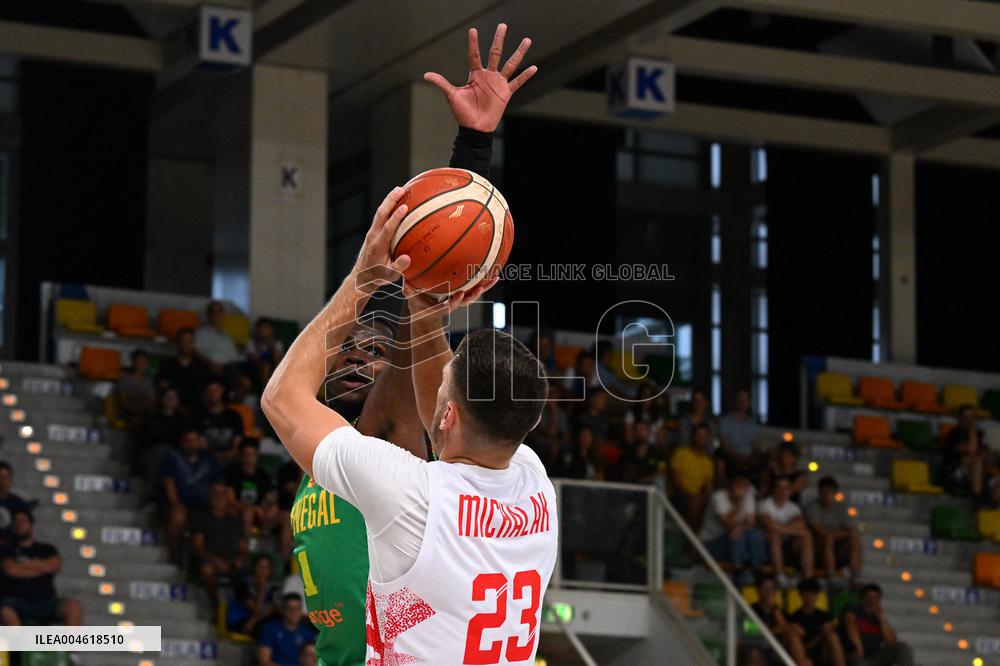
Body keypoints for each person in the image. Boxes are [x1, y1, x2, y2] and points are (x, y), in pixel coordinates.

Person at [280, 23, 538, 666]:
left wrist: (472, 154)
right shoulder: (526, 480)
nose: (358, 359)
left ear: (437, 420)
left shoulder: (397, 465)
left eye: (370, 353)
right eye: (354, 355)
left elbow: (413, 343)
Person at [262, 181, 556, 665]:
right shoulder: (533, 484)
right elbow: (445, 418)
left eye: (445, 386)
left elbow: (282, 397)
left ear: (449, 413)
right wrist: (422, 310)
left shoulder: (411, 497)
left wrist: (364, 276)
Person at [0, 509, 82, 626]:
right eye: (16, 522)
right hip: (18, 603)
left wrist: (23, 565)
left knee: (73, 606)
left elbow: (53, 566)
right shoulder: (7, 550)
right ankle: (19, 644)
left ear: (30, 524)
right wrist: (40, 567)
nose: (19, 525)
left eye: (22, 521)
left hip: (47, 602)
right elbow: (11, 570)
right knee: (5, 610)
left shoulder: (46, 549)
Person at [160, 427, 222, 564]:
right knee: (178, 516)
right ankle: (175, 556)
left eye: (195, 440)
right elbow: (169, 483)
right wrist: (176, 504)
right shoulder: (173, 457)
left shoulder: (210, 459)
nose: (192, 444)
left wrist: (215, 505)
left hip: (204, 505)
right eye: (188, 441)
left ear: (200, 441)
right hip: (182, 504)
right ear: (182, 442)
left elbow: (217, 486)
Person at [699, 473, 765, 582]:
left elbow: (751, 523)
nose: (742, 489)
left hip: (735, 541)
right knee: (738, 534)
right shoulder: (718, 496)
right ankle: (737, 572)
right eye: (739, 486)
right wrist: (739, 503)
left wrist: (739, 527)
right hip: (712, 543)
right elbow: (728, 523)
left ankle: (757, 570)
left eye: (745, 487)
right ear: (731, 486)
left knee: (755, 534)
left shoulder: (748, 496)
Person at [191, 481, 248, 606]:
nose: (219, 497)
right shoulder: (200, 518)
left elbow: (243, 547)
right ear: (209, 495)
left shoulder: (235, 520)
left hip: (232, 560)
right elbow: (197, 547)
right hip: (210, 559)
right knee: (207, 570)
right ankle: (216, 605)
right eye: (215, 493)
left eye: (222, 494)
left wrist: (240, 558)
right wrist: (216, 560)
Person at [840, 584, 913, 666]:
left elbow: (891, 642)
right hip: (856, 656)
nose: (872, 602)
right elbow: (850, 625)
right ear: (862, 599)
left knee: (903, 648)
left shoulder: (878, 618)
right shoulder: (853, 608)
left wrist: (882, 620)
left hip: (876, 657)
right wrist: (858, 648)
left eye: (876, 599)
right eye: (869, 598)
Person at [759, 477, 814, 584]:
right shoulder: (765, 504)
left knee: (806, 535)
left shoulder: (793, 507)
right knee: (774, 535)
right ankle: (780, 576)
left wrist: (780, 528)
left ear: (790, 491)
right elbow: (770, 525)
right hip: (766, 547)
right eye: (779, 488)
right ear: (773, 490)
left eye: (786, 488)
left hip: (787, 546)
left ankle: (808, 577)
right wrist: (791, 529)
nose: (782, 491)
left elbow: (801, 525)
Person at [805, 476, 861, 581]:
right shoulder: (812, 508)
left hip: (839, 545)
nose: (826, 495)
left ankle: (855, 575)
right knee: (828, 539)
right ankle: (831, 574)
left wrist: (833, 533)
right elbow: (819, 531)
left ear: (835, 493)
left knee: (855, 540)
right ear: (819, 493)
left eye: (829, 492)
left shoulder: (843, 508)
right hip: (817, 546)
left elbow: (850, 530)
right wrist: (838, 533)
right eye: (823, 492)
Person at [751, 574, 811, 666]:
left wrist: (774, 609)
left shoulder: (779, 611)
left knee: (794, 638)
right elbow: (751, 631)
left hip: (778, 650)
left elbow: (800, 631)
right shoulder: (750, 610)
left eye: (772, 589)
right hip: (760, 648)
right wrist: (781, 629)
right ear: (758, 591)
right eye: (765, 589)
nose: (769, 592)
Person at [791, 578, 845, 666]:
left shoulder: (825, 616)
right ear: (801, 595)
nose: (810, 597)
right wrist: (821, 636)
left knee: (833, 636)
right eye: (806, 594)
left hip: (824, 652)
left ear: (817, 595)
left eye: (813, 594)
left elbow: (832, 640)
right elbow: (799, 647)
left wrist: (825, 634)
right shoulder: (795, 618)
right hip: (806, 655)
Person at [670, 423, 715, 528]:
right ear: (693, 437)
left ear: (708, 438)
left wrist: (704, 498)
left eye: (704, 436)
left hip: (698, 498)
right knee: (695, 503)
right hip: (679, 494)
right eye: (698, 435)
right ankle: (689, 539)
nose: (701, 439)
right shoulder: (680, 453)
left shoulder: (708, 462)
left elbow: (708, 487)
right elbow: (676, 481)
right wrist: (691, 496)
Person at [156, 327, 211, 411]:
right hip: (171, 410)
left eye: (189, 341)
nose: (186, 344)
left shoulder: (202, 366)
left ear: (193, 343)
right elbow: (163, 387)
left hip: (195, 410)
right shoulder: (167, 364)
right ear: (178, 342)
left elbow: (205, 393)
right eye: (183, 341)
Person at [227, 553, 279, 636]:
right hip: (240, 620)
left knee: (275, 625)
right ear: (254, 568)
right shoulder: (243, 586)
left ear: (270, 571)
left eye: (266, 568)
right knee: (265, 629)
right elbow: (257, 610)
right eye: (260, 567)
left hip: (255, 622)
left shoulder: (273, 589)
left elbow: (271, 611)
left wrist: (253, 621)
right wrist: (262, 589)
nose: (263, 571)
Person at [258, 593, 316, 666]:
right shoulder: (270, 629)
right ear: (282, 610)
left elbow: (312, 660)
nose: (294, 612)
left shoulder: (308, 633)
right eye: (290, 608)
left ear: (301, 611)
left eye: (297, 608)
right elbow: (264, 662)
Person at [942, 404, 986, 498]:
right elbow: (971, 449)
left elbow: (982, 453)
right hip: (954, 472)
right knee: (976, 462)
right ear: (959, 419)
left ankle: (990, 504)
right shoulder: (954, 434)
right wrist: (972, 431)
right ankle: (977, 496)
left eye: (971, 417)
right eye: (966, 417)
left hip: (974, 473)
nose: (970, 421)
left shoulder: (979, 434)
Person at [717, 388, 761, 479]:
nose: (742, 402)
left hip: (750, 459)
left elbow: (756, 446)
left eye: (745, 399)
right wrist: (739, 458)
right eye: (740, 399)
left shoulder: (752, 423)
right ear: (735, 401)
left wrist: (752, 457)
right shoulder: (726, 421)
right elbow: (725, 446)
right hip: (732, 458)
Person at [198, 377, 245, 462]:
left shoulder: (234, 416)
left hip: (231, 459)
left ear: (222, 391)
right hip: (206, 460)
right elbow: (200, 445)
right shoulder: (199, 416)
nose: (213, 394)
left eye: (216, 390)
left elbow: (238, 444)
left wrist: (226, 455)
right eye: (209, 391)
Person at [196, 300, 242, 374]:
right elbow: (195, 352)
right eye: (213, 312)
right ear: (208, 315)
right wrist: (210, 364)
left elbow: (234, 359)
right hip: (206, 368)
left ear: (223, 315)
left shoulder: (228, 338)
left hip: (227, 370)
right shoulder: (200, 333)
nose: (216, 315)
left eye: (219, 312)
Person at [118, 349, 156, 425]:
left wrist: (134, 396)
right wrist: (142, 400)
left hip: (144, 418)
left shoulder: (148, 381)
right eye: (138, 360)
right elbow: (124, 403)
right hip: (127, 417)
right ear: (133, 362)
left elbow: (151, 404)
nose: (141, 364)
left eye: (144, 361)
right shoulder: (126, 378)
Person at [0, 461, 28, 546]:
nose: (2, 481)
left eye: (5, 477)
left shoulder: (18, 503)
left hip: (11, 549)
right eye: (0, 477)